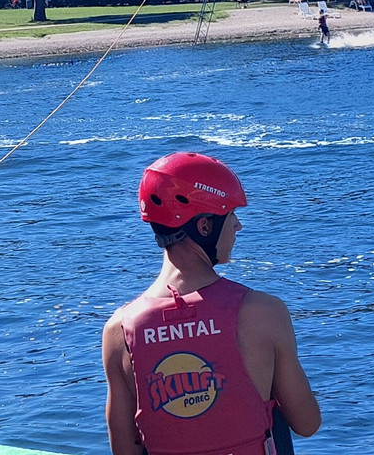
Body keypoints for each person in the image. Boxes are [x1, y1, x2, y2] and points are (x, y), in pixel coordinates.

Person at [102, 152, 321, 455]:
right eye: (231, 215)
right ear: (205, 227)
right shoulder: (263, 312)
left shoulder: (119, 331)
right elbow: (308, 423)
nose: (238, 227)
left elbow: (124, 448)